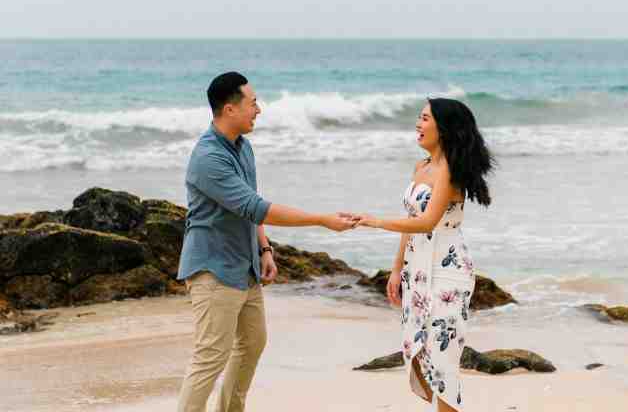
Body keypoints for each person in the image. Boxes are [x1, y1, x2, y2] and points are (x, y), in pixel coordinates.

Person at [176, 71, 358, 412]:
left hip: (245, 266)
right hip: (213, 270)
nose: (258, 109)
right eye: (253, 102)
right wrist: (321, 219)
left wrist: (264, 248)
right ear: (230, 109)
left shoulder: (243, 148)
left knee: (253, 344)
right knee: (209, 358)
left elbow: (250, 204)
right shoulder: (208, 158)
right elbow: (256, 206)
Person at [357, 98, 495, 411]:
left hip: (447, 270)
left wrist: (376, 221)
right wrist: (396, 270)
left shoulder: (449, 170)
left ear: (443, 128)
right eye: (418, 118)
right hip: (416, 269)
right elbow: (411, 221)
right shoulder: (421, 167)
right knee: (419, 353)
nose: (418, 125)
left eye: (424, 119)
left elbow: (427, 221)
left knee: (443, 363)